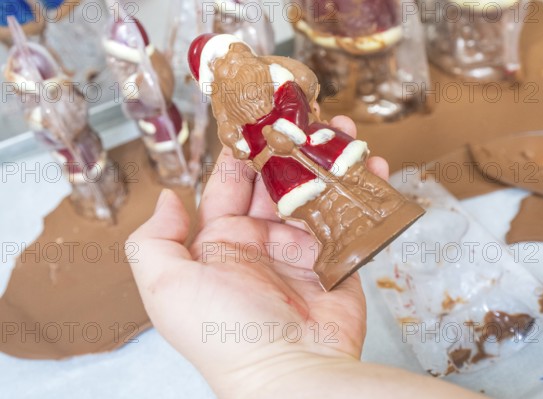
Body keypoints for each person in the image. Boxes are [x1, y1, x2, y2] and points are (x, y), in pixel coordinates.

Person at [127, 116, 486, 398]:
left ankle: (381, 211)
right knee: (311, 211)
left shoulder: (278, 85)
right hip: (282, 170)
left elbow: (298, 93)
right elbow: (240, 141)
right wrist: (276, 367)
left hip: (310, 148)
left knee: (354, 183)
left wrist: (279, 370)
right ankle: (336, 242)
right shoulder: (234, 118)